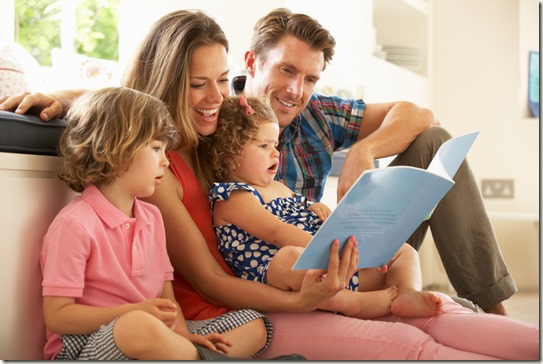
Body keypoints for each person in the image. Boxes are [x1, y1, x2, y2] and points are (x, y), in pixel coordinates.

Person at [2, 9, 539, 361]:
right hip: (264, 297)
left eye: (220, 80)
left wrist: (365, 158)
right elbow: (129, 102)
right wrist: (70, 96)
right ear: (256, 65)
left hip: (304, 275)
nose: (216, 96)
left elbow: (416, 114)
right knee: (411, 342)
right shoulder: (159, 169)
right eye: (199, 85)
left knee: (440, 311)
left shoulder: (226, 121)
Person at [231, 7, 516, 317]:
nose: (296, 91)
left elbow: (421, 115)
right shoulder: (218, 121)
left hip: (340, 251)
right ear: (251, 62)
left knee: (435, 140)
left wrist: (364, 150)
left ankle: (492, 309)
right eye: (286, 70)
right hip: (283, 270)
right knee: (453, 310)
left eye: (310, 78)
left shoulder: (317, 113)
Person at [40, 86, 292, 361]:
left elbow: (168, 300)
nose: (165, 162)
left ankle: (187, 355)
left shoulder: (152, 217)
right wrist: (134, 313)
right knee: (137, 326)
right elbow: (58, 316)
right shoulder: (75, 225)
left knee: (254, 325)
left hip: (152, 337)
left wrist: (183, 335)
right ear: (117, 149)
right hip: (85, 347)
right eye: (156, 149)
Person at [208, 95, 443, 320]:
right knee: (288, 258)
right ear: (230, 155)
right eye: (263, 146)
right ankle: (351, 303)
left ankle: (407, 293)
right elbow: (278, 234)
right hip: (294, 275)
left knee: (403, 250)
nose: (275, 153)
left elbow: (306, 207)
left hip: (332, 264)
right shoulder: (233, 197)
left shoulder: (279, 187)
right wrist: (337, 253)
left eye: (276, 144)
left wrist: (318, 209)